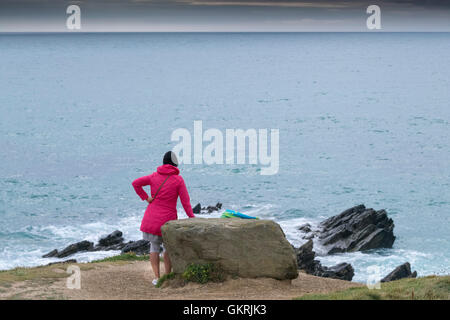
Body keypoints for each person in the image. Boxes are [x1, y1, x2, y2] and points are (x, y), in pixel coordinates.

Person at [132, 151, 195, 285]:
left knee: (154, 248)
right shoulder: (178, 180)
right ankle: (167, 276)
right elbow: (185, 201)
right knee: (168, 249)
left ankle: (157, 278)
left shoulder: (154, 176)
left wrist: (146, 198)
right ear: (174, 164)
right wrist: (191, 216)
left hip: (151, 219)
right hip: (168, 221)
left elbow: (135, 183)